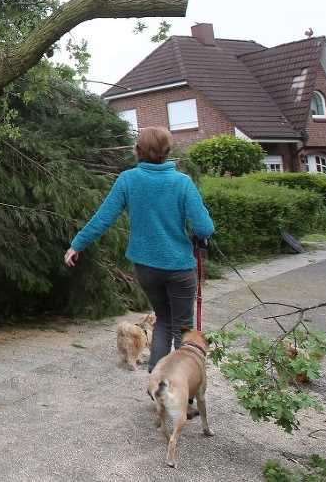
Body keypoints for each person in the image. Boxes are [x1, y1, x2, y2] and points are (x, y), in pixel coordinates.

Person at [64, 126, 214, 372]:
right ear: (168, 151)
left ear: (138, 150)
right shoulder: (182, 183)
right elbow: (205, 228)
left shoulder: (129, 179)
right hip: (179, 267)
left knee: (163, 320)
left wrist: (76, 245)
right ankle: (182, 397)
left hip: (146, 268)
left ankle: (157, 385)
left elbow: (104, 217)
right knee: (183, 328)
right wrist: (196, 234)